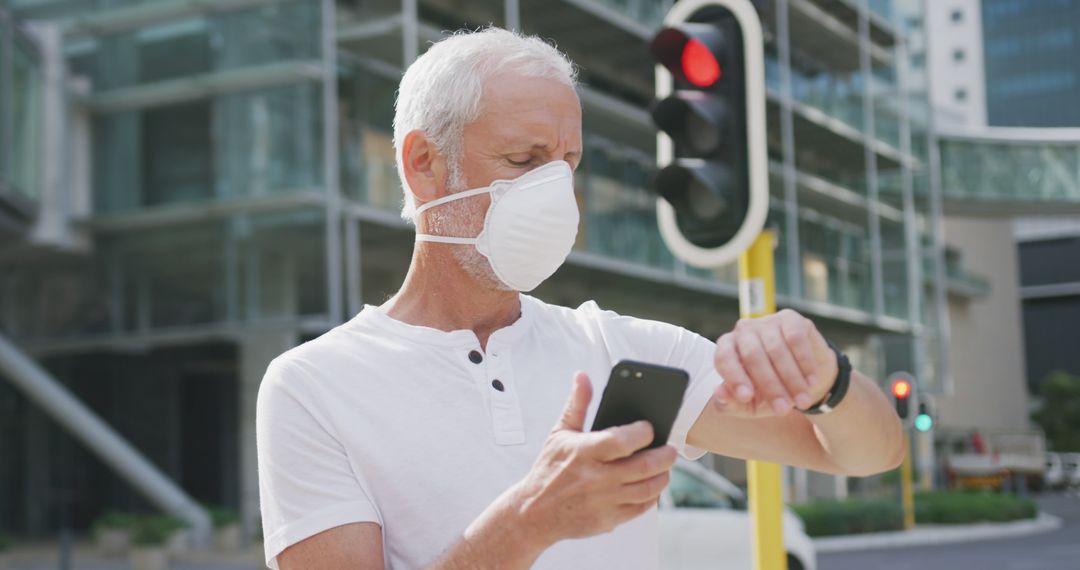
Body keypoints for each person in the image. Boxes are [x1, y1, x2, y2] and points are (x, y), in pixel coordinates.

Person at [256, 27, 903, 570]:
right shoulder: (312, 386)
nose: (554, 193)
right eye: (523, 159)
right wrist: (530, 522)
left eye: (567, 163)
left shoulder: (628, 349)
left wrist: (829, 382)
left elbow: (865, 452)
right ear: (423, 163)